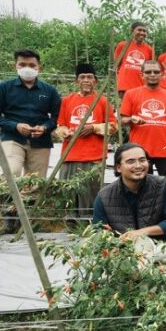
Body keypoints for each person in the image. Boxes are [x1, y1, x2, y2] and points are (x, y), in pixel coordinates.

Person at [56, 63, 117, 219]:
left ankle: (88, 226)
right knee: (68, 192)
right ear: (76, 81)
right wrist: (66, 132)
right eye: (82, 77)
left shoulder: (103, 101)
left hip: (93, 156)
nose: (86, 80)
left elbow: (113, 126)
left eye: (90, 77)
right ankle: (68, 224)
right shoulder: (67, 100)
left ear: (95, 81)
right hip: (70, 155)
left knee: (90, 194)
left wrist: (93, 128)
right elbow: (60, 125)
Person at [0, 49, 61, 179]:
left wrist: (44, 128)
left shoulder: (50, 91)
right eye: (22, 64)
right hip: (12, 138)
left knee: (36, 181)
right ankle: (7, 199)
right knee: (11, 172)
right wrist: (15, 126)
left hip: (41, 142)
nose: (27, 68)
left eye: (32, 65)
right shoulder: (3, 88)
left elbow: (57, 117)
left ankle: (30, 200)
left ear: (39, 67)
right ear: (15, 66)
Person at [93, 143, 166, 241]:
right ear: (118, 167)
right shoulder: (104, 196)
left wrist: (141, 232)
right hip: (122, 250)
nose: (138, 166)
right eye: (131, 162)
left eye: (142, 160)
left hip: (160, 248)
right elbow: (98, 230)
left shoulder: (162, 185)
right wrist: (106, 235)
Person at [119, 61, 166, 180]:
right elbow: (121, 120)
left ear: (161, 74)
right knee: (141, 187)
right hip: (139, 151)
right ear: (142, 75)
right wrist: (131, 119)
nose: (152, 74)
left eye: (156, 72)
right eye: (148, 72)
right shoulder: (130, 94)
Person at [115, 21, 154, 95]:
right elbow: (116, 64)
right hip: (124, 86)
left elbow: (149, 69)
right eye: (139, 30)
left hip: (141, 86)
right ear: (132, 31)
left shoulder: (149, 49)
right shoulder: (123, 45)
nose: (142, 33)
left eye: (144, 31)